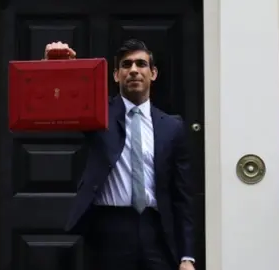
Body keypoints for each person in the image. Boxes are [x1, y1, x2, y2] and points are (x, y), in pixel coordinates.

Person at [44, 39, 196, 270]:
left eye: (141, 64)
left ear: (153, 73)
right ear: (116, 75)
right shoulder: (98, 113)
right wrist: (55, 65)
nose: (134, 70)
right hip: (109, 229)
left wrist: (187, 257)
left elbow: (182, 196)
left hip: (156, 230)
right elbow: (61, 101)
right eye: (126, 65)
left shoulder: (172, 127)